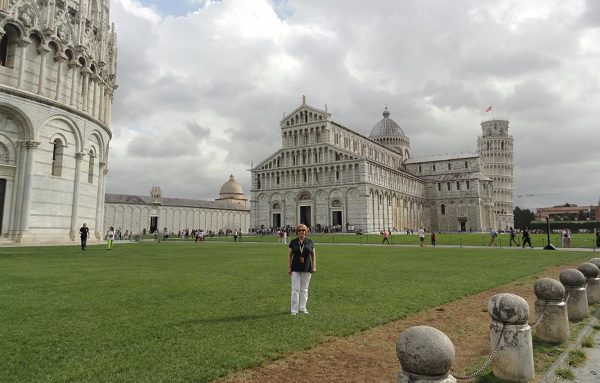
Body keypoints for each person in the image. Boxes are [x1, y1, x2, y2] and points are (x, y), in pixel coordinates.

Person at [288, 224, 316, 316]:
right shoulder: (293, 242)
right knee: (295, 289)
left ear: (306, 232)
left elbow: (313, 255)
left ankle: (303, 308)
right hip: (295, 267)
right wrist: (289, 267)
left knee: (304, 289)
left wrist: (314, 266)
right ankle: (294, 310)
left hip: (307, 267)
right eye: (299, 230)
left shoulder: (310, 242)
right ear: (297, 232)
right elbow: (289, 255)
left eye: (303, 230)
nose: (301, 232)